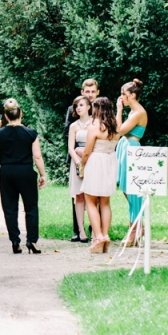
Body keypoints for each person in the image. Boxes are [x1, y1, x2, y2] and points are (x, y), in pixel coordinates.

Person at [0, 99, 47, 254]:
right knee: (31, 207)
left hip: (7, 172)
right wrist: (42, 174)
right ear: (21, 113)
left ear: (6, 116)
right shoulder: (31, 133)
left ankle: (15, 240)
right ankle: (32, 241)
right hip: (26, 171)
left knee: (10, 208)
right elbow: (38, 157)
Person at [80, 97, 120, 254]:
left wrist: (82, 163)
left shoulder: (95, 126)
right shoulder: (116, 126)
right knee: (105, 202)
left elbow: (87, 151)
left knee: (90, 201)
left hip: (96, 161)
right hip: (110, 161)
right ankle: (105, 234)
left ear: (96, 109)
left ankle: (98, 237)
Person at [64, 79, 100, 242]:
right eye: (87, 91)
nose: (90, 94)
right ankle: (78, 230)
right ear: (82, 92)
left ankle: (96, 229)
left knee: (96, 194)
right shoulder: (73, 111)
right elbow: (67, 134)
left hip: (94, 157)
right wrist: (76, 154)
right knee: (77, 195)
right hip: (77, 157)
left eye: (93, 92)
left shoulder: (100, 111)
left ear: (97, 93)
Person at [115, 79, 148, 245]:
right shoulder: (133, 111)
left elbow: (118, 130)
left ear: (133, 95)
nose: (122, 98)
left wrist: (118, 110)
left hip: (132, 149)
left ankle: (135, 229)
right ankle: (137, 226)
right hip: (125, 147)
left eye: (124, 95)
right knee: (125, 187)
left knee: (133, 190)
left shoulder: (138, 113)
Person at [67, 96, 91, 244]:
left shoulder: (95, 123)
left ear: (89, 107)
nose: (78, 108)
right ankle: (81, 230)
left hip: (92, 160)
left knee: (93, 195)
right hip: (77, 162)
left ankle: (94, 228)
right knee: (79, 196)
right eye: (76, 106)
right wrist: (77, 161)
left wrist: (88, 155)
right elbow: (70, 146)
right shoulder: (73, 126)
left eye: (81, 105)